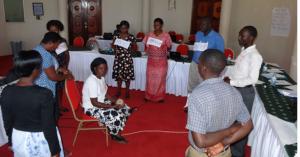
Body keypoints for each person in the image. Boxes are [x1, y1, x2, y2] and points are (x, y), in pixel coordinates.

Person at [186, 49, 253, 157]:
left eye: (199, 63)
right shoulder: (234, 91)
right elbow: (248, 125)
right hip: (224, 152)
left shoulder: (197, 95)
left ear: (203, 68)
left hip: (202, 154)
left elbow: (201, 142)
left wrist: (229, 130)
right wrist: (224, 141)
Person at [0, 50, 64, 157]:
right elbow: (48, 126)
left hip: (18, 136)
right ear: (36, 70)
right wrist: (55, 150)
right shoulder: (44, 94)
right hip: (40, 139)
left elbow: (7, 120)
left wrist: (11, 141)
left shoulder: (6, 91)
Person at [224, 26, 263, 157]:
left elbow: (252, 79)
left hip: (245, 93)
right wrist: (229, 76)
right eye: (240, 35)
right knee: (233, 122)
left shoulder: (255, 56)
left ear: (251, 38)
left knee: (241, 125)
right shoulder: (243, 50)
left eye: (243, 36)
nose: (239, 38)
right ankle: (230, 150)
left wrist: (232, 82)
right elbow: (238, 70)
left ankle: (237, 154)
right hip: (236, 90)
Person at [82, 57, 137, 144]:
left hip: (100, 101)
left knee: (122, 105)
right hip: (91, 108)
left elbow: (106, 95)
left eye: (105, 68)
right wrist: (112, 106)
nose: (104, 71)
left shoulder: (101, 78)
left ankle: (112, 123)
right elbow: (95, 103)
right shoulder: (92, 81)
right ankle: (114, 135)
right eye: (101, 68)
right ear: (94, 68)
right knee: (116, 113)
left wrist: (117, 101)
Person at [33, 32, 73, 121]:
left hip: (37, 88)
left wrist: (60, 69)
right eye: (56, 45)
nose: (56, 47)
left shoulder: (36, 49)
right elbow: (53, 77)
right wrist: (66, 76)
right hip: (46, 90)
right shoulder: (46, 55)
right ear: (50, 42)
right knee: (50, 118)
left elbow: (45, 67)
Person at [188, 17, 224, 93]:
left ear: (210, 25)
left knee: (204, 88)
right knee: (191, 85)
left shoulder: (217, 38)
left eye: (203, 24)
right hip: (194, 64)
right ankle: (190, 102)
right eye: (200, 24)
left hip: (207, 67)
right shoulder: (198, 34)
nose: (200, 26)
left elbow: (220, 56)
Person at [143, 18, 172, 102]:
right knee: (150, 78)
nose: (156, 26)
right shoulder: (149, 34)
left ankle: (159, 97)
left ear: (161, 25)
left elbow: (170, 46)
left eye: (158, 25)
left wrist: (164, 46)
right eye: (155, 25)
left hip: (161, 61)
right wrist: (148, 46)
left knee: (160, 78)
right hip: (151, 60)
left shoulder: (166, 35)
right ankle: (148, 96)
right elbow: (145, 45)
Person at [47, 19, 71, 113]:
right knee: (52, 88)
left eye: (55, 30)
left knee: (60, 88)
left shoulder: (62, 40)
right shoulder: (47, 41)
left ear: (59, 30)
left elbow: (66, 54)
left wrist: (65, 67)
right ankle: (53, 107)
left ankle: (59, 106)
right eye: (51, 30)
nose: (53, 32)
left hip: (62, 67)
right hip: (52, 68)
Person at [112, 20, 136, 98]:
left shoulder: (131, 37)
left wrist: (130, 50)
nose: (123, 30)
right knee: (119, 76)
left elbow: (135, 48)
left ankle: (127, 91)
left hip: (127, 59)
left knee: (127, 77)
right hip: (118, 59)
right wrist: (115, 48)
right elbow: (113, 45)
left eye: (125, 28)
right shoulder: (116, 36)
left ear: (127, 28)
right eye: (121, 28)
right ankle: (118, 91)